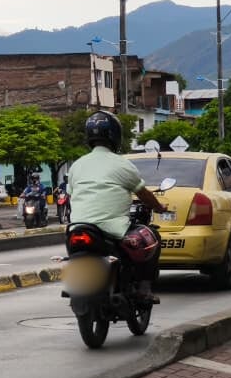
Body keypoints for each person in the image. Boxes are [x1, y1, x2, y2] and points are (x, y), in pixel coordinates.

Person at [68, 111, 168, 301]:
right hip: (113, 228)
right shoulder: (123, 165)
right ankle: (144, 288)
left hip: (77, 226)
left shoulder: (77, 165)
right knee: (152, 237)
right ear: (116, 135)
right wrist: (159, 207)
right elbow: (143, 193)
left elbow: (72, 194)